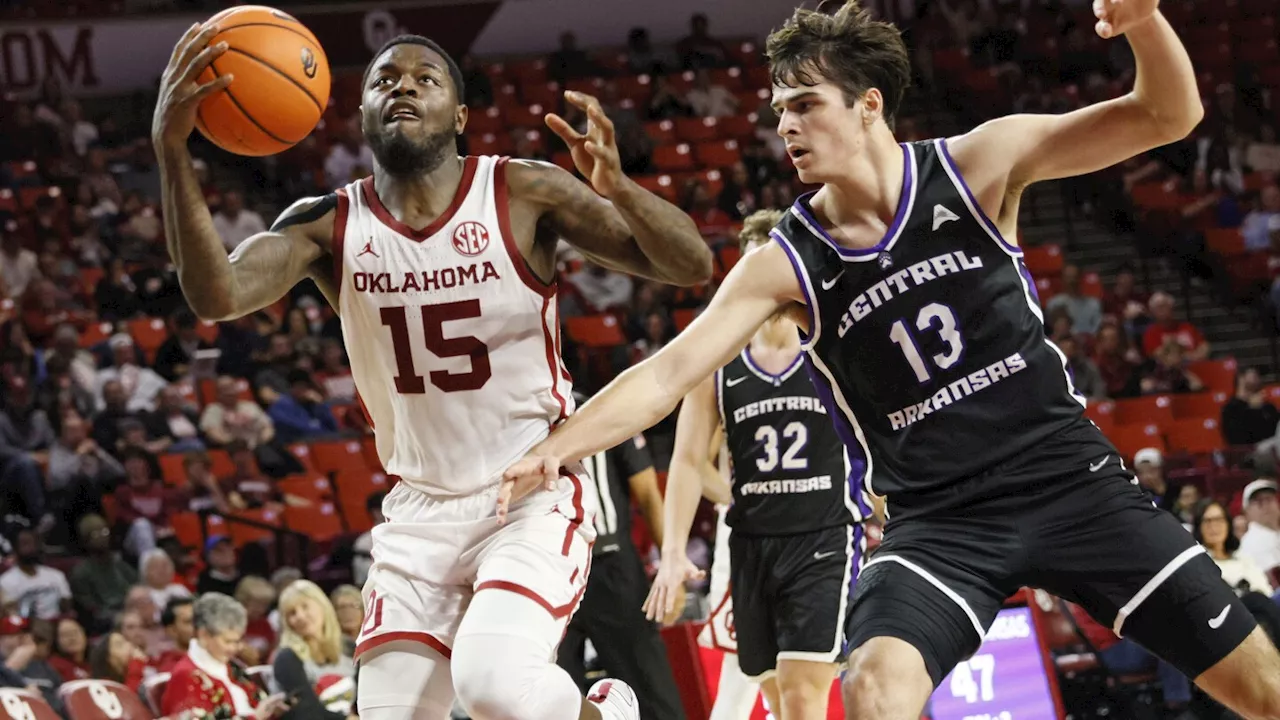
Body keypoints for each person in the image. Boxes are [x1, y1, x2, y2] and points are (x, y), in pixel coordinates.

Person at [501, 2, 1280, 718]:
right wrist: (552, 448)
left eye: (806, 105)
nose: (787, 128)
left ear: (868, 103)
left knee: (1261, 688)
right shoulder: (786, 261)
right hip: (941, 522)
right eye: (779, 111)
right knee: (874, 681)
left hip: (1070, 483)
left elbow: (1168, 114)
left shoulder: (978, 163)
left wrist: (1144, 22)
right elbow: (667, 374)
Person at [153, 18, 712, 720]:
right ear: (361, 115)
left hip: (530, 494)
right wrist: (172, 150)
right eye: (384, 80)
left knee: (493, 688)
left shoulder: (522, 192)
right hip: (419, 511)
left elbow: (690, 265)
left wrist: (619, 188)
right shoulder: (327, 223)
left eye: (426, 78)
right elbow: (217, 296)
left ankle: (609, 708)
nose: (404, 88)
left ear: (461, 115)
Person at [646, 210, 872, 718]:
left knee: (800, 691)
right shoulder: (719, 365)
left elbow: (879, 435)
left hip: (824, 536)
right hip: (749, 545)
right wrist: (674, 549)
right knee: (773, 695)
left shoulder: (832, 347)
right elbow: (685, 461)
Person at [556, 392, 686, 720]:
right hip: (550, 570)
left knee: (652, 689)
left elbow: (647, 493)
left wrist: (671, 569)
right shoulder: (514, 411)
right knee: (552, 700)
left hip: (610, 566)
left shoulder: (601, 408)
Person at [160, 593, 289, 719]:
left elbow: (256, 703)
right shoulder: (185, 676)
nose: (237, 648)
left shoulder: (231, 665)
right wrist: (254, 718)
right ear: (204, 635)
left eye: (238, 641)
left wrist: (271, 710)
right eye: (228, 642)